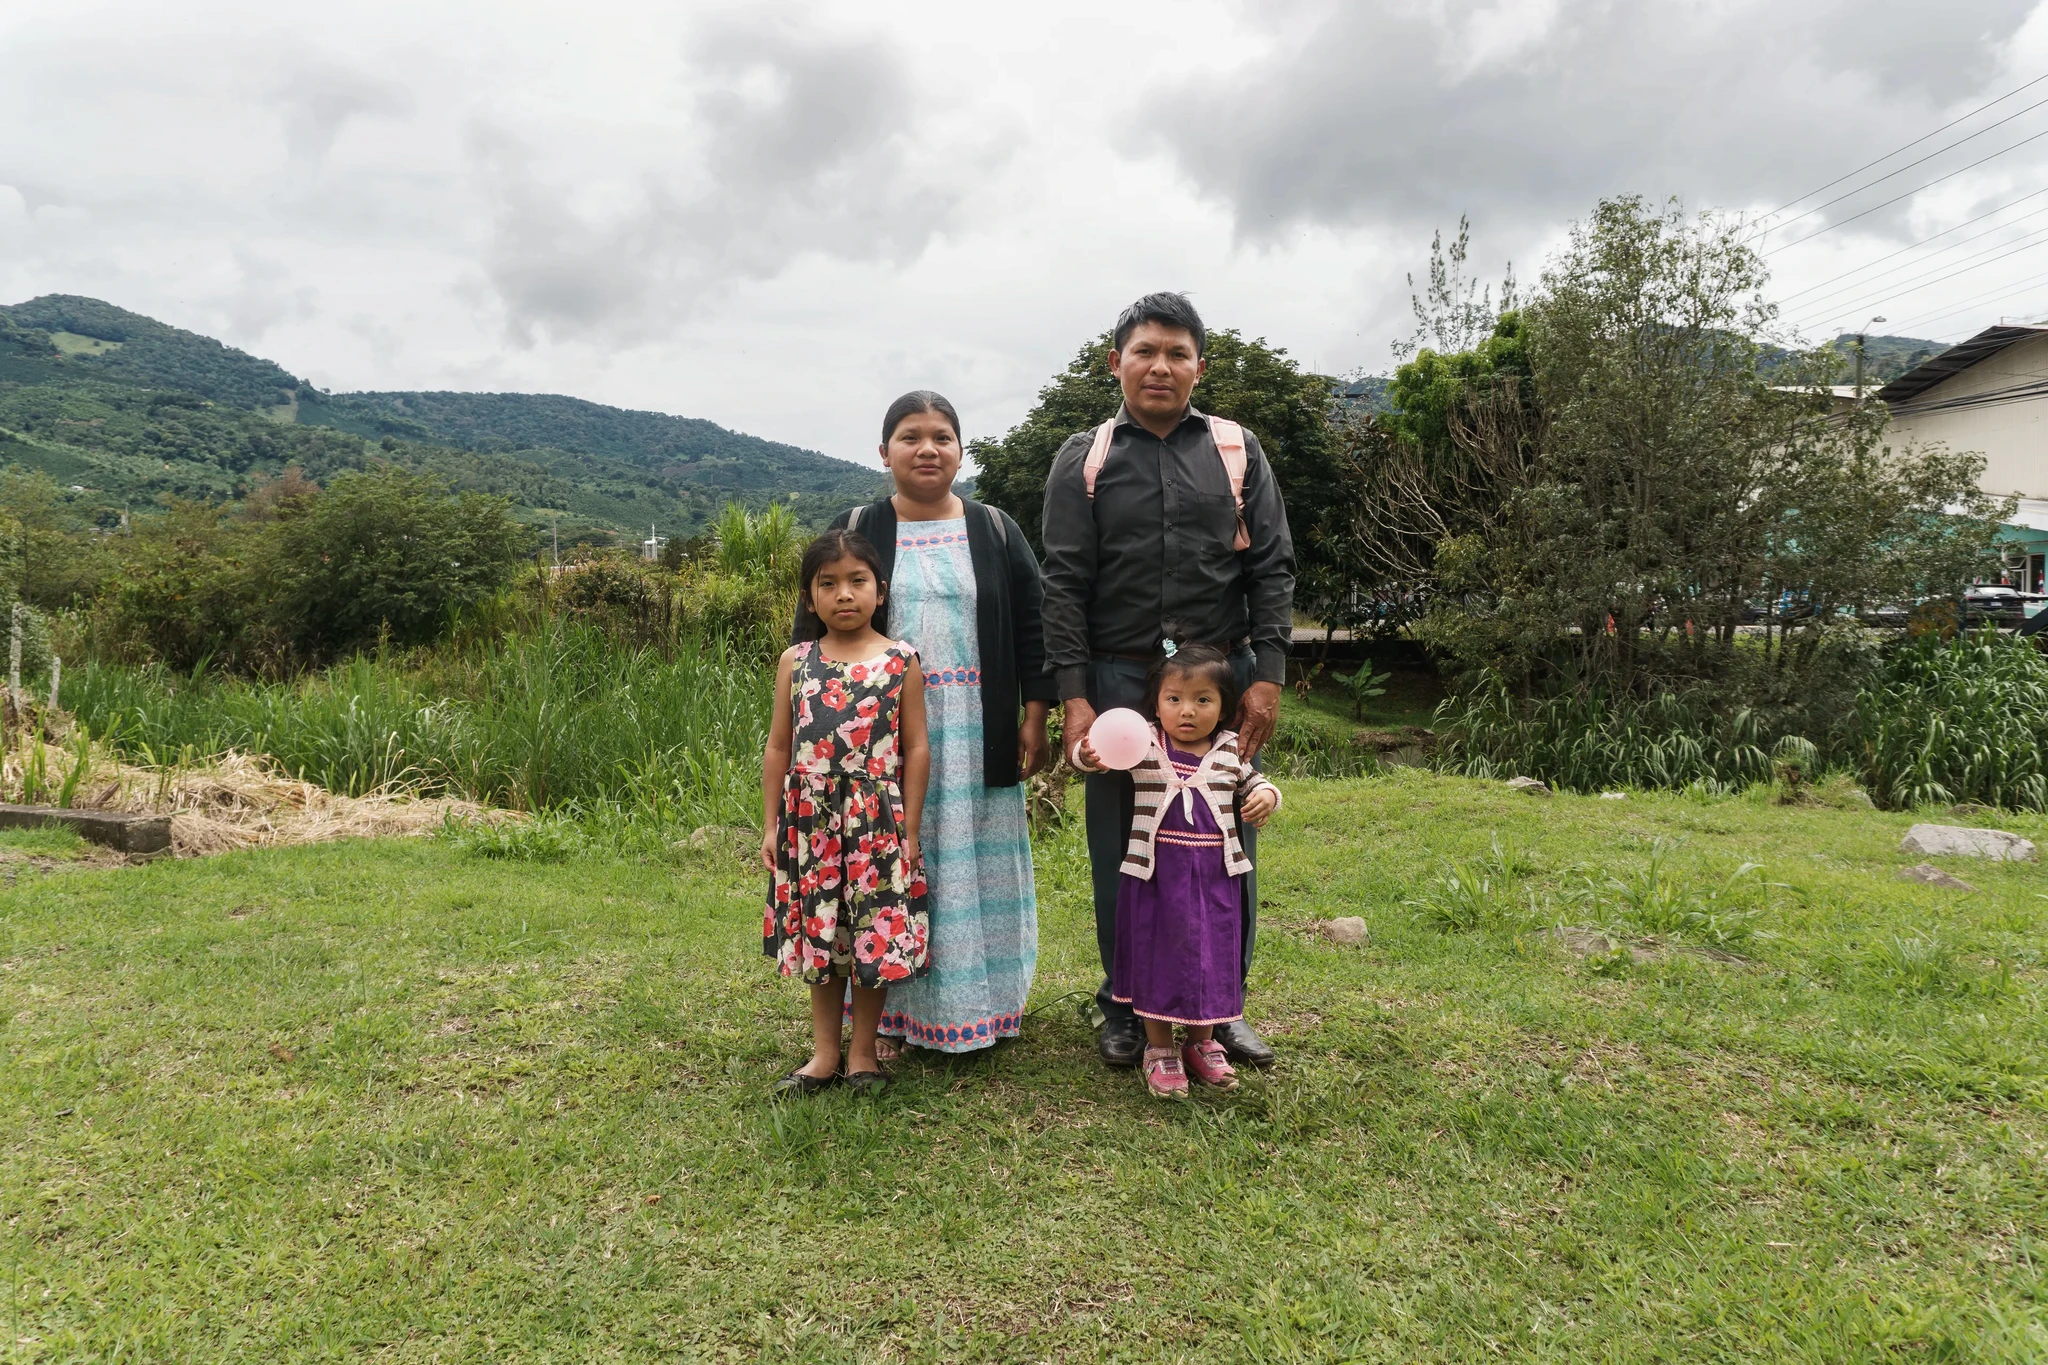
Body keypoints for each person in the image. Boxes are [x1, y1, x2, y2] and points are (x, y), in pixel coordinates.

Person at [1041, 292, 1296, 1072]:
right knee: (1124, 846)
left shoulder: (1236, 449)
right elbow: (1063, 580)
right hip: (1118, 681)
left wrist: (1268, 676)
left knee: (1225, 843)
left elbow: (1271, 566)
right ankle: (1123, 1003)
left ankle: (1221, 1009)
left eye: (1177, 353)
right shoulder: (1084, 458)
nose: (1160, 365)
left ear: (1199, 367)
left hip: (1219, 678)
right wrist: (1075, 693)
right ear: (1114, 361)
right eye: (1145, 350)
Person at [801, 392, 1054, 1059]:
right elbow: (816, 628)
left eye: (943, 436)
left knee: (970, 864)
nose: (927, 448)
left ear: (960, 450)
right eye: (910, 436)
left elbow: (1034, 624)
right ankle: (888, 1018)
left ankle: (981, 1007)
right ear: (883, 451)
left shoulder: (996, 528)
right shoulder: (858, 524)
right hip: (875, 739)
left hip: (981, 723)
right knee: (887, 864)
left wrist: (1037, 714)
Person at [761, 529, 930, 1095]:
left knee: (871, 936)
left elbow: (917, 748)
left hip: (875, 822)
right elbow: (779, 748)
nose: (844, 595)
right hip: (810, 823)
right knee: (823, 935)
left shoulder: (901, 660)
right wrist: (771, 825)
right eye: (827, 584)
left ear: (879, 590)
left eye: (857, 581)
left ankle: (864, 1056)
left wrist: (908, 829)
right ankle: (824, 1056)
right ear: (810, 597)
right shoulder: (797, 661)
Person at [1082, 633, 1280, 1098]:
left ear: (1225, 707)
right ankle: (1159, 1049)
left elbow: (1259, 782)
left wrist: (1266, 796)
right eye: (1174, 699)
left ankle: (1202, 1043)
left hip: (1214, 879)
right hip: (1155, 877)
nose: (1186, 711)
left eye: (1202, 700)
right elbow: (1096, 759)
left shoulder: (1231, 749)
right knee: (1156, 956)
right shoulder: (1147, 745)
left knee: (1211, 956)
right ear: (1156, 704)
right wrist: (1087, 755)